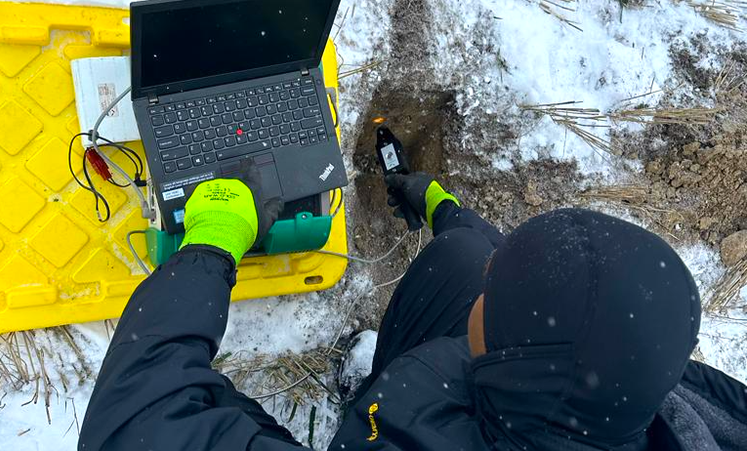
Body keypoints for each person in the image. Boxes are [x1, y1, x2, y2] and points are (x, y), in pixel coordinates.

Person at [78, 166, 747, 451]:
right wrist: (442, 208)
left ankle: (363, 398)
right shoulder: (660, 390)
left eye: (497, 290)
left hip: (405, 424)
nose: (489, 281)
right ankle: (382, 365)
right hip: (483, 402)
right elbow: (536, 291)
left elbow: (134, 412)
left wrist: (209, 246)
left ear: (520, 370)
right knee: (458, 257)